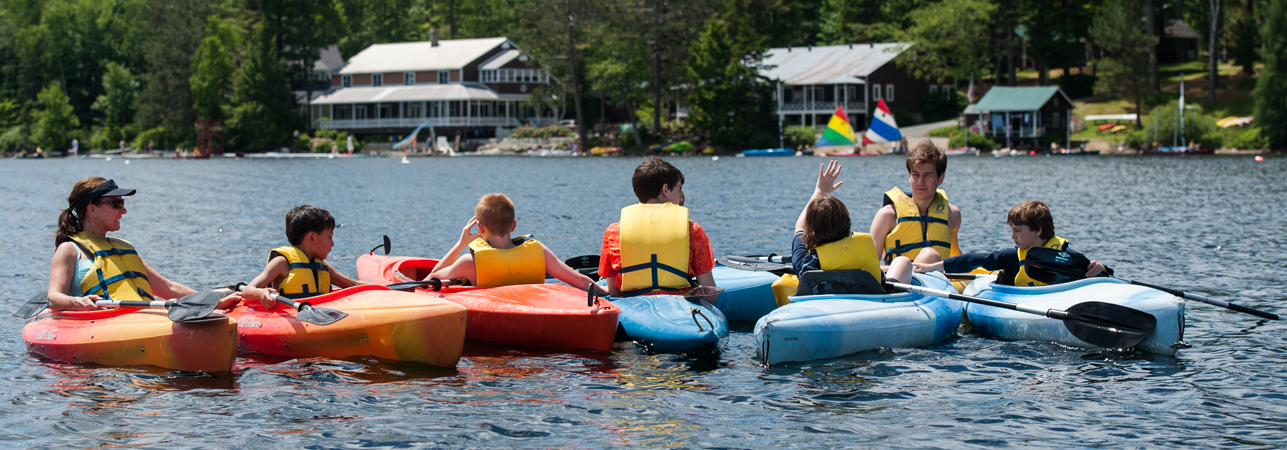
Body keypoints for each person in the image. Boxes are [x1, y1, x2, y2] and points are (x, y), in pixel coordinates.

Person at [47, 177, 241, 311]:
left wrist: (210, 301)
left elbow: (168, 288)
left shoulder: (123, 249)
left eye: (122, 203)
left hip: (138, 319)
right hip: (99, 322)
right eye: (116, 204)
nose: (123, 210)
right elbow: (54, 298)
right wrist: (77, 302)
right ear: (92, 210)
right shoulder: (69, 250)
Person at [776, 161, 913, 303]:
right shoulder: (864, 256)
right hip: (872, 305)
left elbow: (800, 227)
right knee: (902, 261)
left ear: (812, 232)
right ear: (848, 228)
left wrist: (819, 191)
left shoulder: (806, 264)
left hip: (822, 305)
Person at [426, 194, 609, 294]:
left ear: (479, 227)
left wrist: (460, 244)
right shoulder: (539, 251)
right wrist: (606, 292)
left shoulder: (469, 263)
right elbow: (581, 282)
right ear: (514, 225)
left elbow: (428, 281)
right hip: (536, 313)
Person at [598, 158, 718, 300]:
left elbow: (614, 292)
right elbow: (710, 296)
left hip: (632, 307)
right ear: (665, 189)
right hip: (682, 306)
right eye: (678, 189)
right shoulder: (693, 230)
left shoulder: (613, 232)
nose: (680, 196)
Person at [914, 200, 1105, 286]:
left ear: (1038, 230)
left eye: (1017, 230)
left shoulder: (1063, 254)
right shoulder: (1013, 256)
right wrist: (932, 266)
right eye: (1011, 230)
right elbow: (975, 260)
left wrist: (1100, 267)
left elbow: (1093, 271)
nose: (1012, 236)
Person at [239, 205, 366, 308]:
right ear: (312, 238)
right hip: (290, 317)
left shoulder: (322, 267)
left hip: (319, 315)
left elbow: (353, 284)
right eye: (330, 237)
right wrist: (260, 293)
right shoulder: (282, 263)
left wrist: (384, 289)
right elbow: (248, 290)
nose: (332, 244)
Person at [869, 139, 961, 270]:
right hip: (899, 284)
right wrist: (904, 268)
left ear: (940, 178)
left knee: (930, 255)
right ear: (909, 176)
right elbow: (869, 266)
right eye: (915, 175)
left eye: (927, 175)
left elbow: (955, 255)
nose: (920, 182)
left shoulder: (953, 215)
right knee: (929, 255)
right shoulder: (887, 215)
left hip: (937, 284)